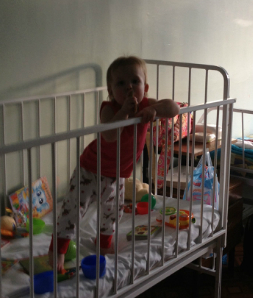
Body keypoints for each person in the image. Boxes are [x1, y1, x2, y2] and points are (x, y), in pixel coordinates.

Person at [49, 56, 179, 271]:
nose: (129, 87)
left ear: (145, 88)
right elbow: (110, 135)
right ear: (110, 92)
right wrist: (124, 112)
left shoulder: (146, 105)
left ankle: (103, 244)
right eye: (120, 83)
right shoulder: (108, 109)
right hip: (91, 169)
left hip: (117, 174)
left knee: (112, 212)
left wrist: (155, 110)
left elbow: (173, 108)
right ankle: (57, 251)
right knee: (73, 209)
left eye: (135, 81)